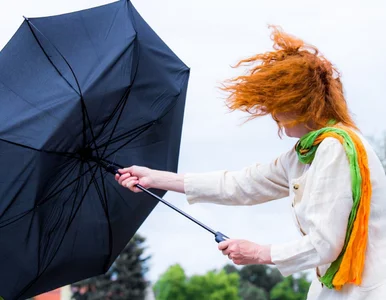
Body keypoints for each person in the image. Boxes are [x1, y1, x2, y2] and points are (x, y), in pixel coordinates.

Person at [115, 26, 386, 299]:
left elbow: (325, 244)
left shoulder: (334, 148)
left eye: (274, 102)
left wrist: (258, 253)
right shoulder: (307, 153)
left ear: (298, 101)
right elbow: (241, 184)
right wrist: (156, 178)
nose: (271, 113)